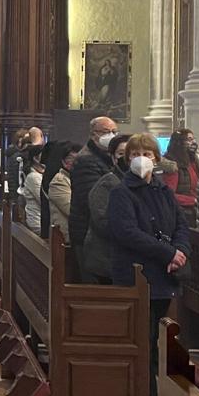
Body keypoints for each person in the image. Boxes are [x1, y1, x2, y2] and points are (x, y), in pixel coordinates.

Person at [106, 133, 190, 396]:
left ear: (156, 158)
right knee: (142, 340)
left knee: (159, 341)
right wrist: (168, 254)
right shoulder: (121, 192)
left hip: (165, 277)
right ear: (127, 159)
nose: (141, 159)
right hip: (137, 275)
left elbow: (181, 225)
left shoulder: (163, 191)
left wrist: (181, 251)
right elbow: (127, 233)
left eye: (147, 154)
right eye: (134, 154)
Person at [69, 116, 119, 277]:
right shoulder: (86, 160)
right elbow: (92, 200)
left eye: (114, 131)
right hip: (88, 233)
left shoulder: (106, 158)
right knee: (93, 282)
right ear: (93, 134)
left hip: (100, 233)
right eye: (106, 132)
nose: (111, 135)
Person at [79, 134, 130, 284]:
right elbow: (103, 223)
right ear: (113, 158)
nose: (127, 159)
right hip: (107, 260)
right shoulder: (107, 184)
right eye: (121, 154)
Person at [163, 129, 199, 224]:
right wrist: (193, 200)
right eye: (189, 139)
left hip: (194, 210)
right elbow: (169, 194)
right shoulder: (172, 165)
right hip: (182, 212)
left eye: (193, 139)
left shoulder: (192, 162)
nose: (193, 143)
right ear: (179, 142)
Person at [41, 140, 77, 238]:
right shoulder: (59, 181)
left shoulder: (73, 178)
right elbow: (71, 210)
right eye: (71, 159)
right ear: (63, 162)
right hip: (64, 237)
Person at [18, 145, 45, 232]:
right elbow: (43, 200)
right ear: (36, 159)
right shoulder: (33, 177)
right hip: (37, 222)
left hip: (42, 220)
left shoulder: (41, 174)